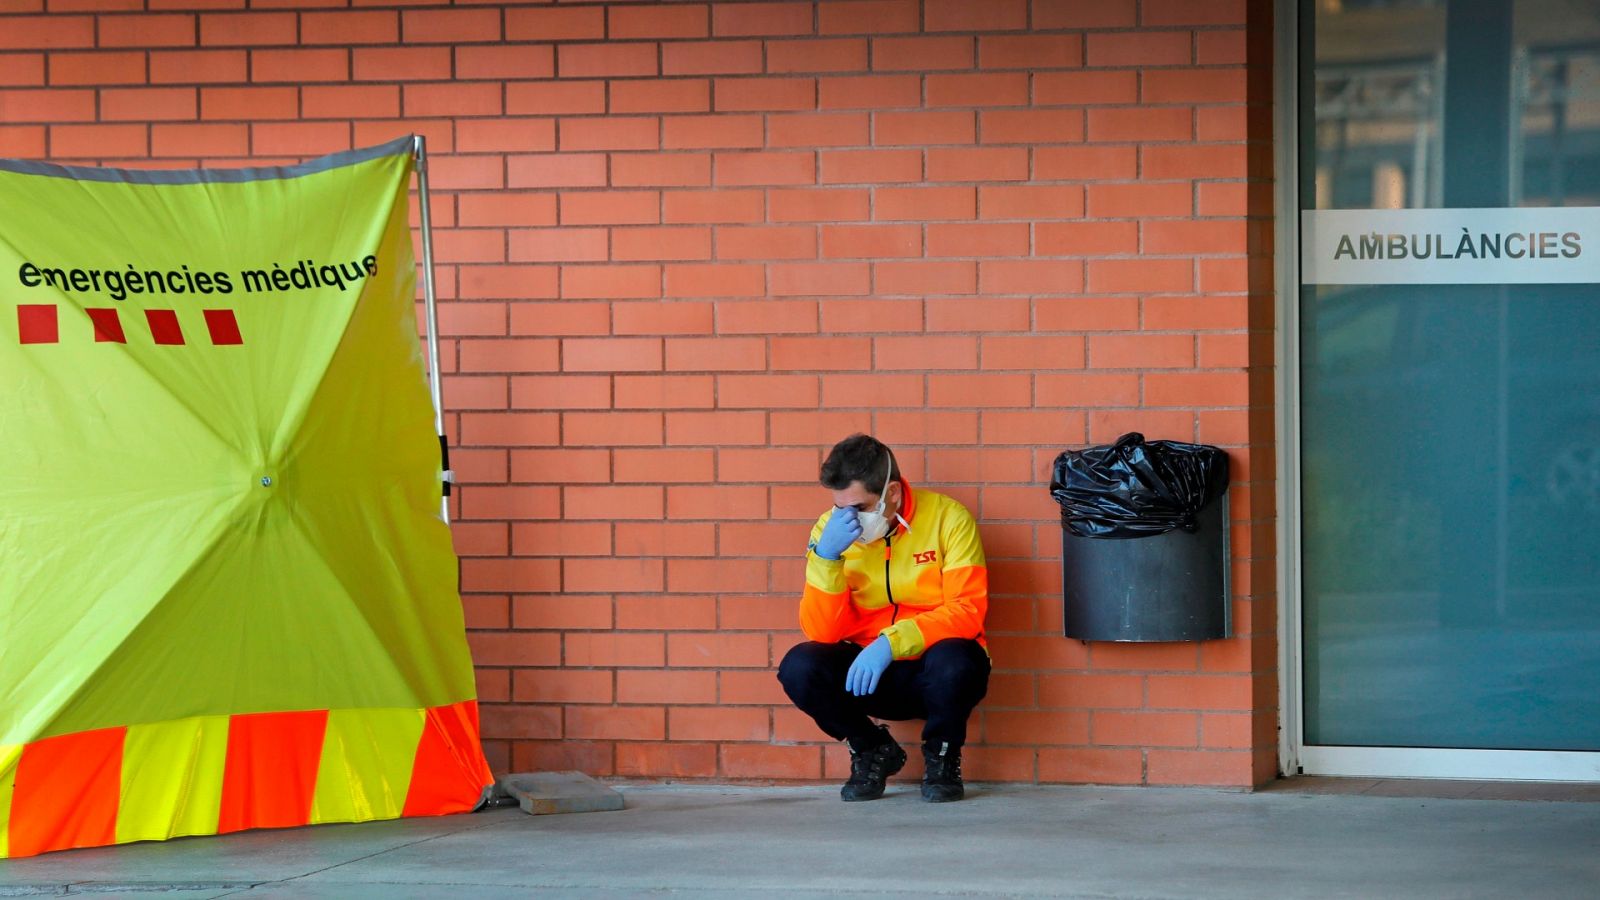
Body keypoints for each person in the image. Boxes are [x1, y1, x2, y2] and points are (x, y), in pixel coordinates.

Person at [777, 433, 990, 802]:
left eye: (859, 507)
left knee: (959, 659)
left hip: (934, 671)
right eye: (839, 507)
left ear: (892, 493)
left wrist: (892, 642)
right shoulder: (830, 532)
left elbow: (967, 611)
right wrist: (826, 557)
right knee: (799, 666)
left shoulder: (948, 519)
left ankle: (942, 758)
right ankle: (871, 748)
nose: (848, 519)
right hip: (868, 674)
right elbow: (822, 632)